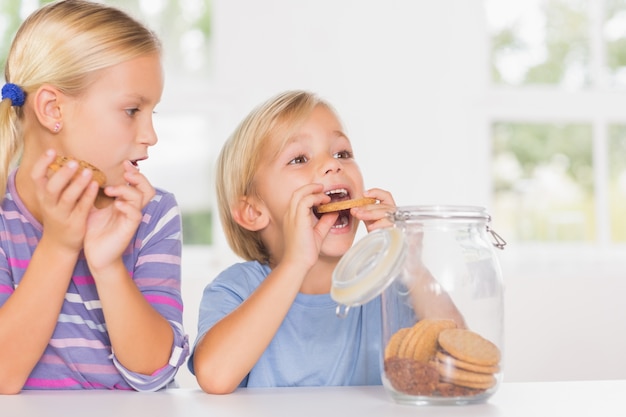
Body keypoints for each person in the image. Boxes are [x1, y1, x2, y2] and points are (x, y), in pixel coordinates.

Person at [189, 90, 464, 394]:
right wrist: (296, 262)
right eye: (299, 159)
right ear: (254, 211)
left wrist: (409, 263)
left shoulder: (386, 289)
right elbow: (215, 375)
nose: (333, 166)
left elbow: (461, 361)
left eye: (342, 154)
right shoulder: (234, 289)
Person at [0, 0, 188, 393]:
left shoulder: (152, 213)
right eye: (132, 110)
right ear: (53, 109)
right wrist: (59, 244)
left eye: (152, 112)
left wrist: (108, 266)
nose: (150, 135)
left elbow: (154, 373)